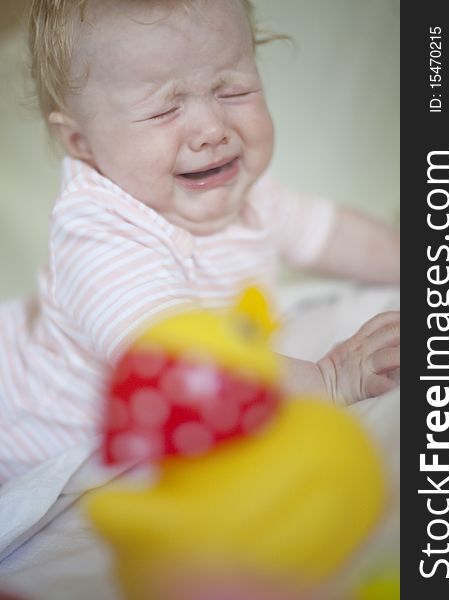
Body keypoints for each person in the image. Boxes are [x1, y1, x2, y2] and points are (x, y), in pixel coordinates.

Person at [0, 0, 399, 482]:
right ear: (82, 143)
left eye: (232, 90)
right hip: (21, 430)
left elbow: (331, 233)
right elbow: (178, 361)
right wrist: (328, 380)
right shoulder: (98, 233)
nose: (212, 131)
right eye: (165, 109)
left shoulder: (242, 191)